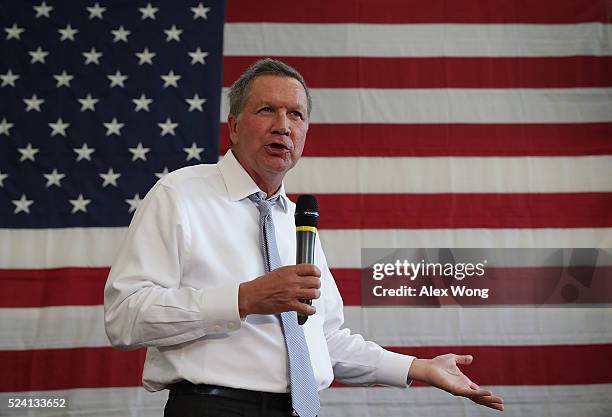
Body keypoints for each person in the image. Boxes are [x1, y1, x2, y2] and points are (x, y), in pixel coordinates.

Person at [104, 59, 504, 417]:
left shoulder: (297, 220)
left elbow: (319, 338)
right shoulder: (181, 194)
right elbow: (125, 317)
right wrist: (244, 298)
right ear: (235, 125)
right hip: (213, 406)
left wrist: (419, 367)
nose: (283, 125)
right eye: (267, 110)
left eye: (295, 114)